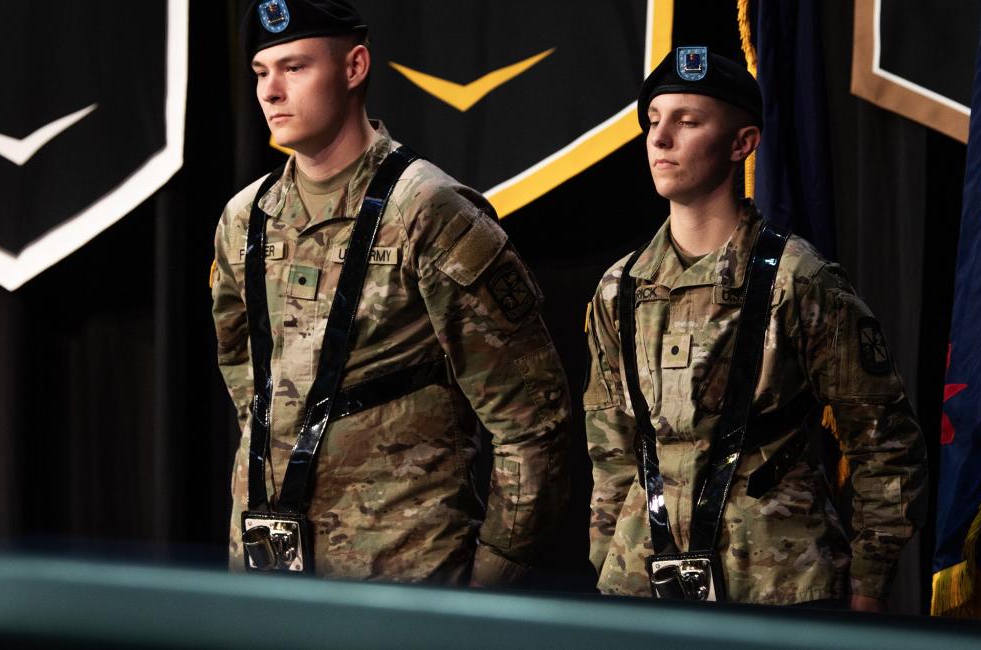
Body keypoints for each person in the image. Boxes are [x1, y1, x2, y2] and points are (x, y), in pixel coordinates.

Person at [211, 0, 569, 587]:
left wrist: (497, 575)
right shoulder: (245, 218)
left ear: (354, 68)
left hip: (401, 570)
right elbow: (244, 372)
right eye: (260, 72)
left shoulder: (430, 211)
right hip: (267, 569)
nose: (271, 92)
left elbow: (531, 419)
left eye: (294, 68)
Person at [583, 46, 927, 609]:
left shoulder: (799, 281)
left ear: (742, 143)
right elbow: (611, 446)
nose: (660, 139)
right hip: (641, 585)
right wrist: (610, 560)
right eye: (653, 122)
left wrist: (868, 586)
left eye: (687, 122)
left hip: (777, 584)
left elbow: (883, 441)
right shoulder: (618, 289)